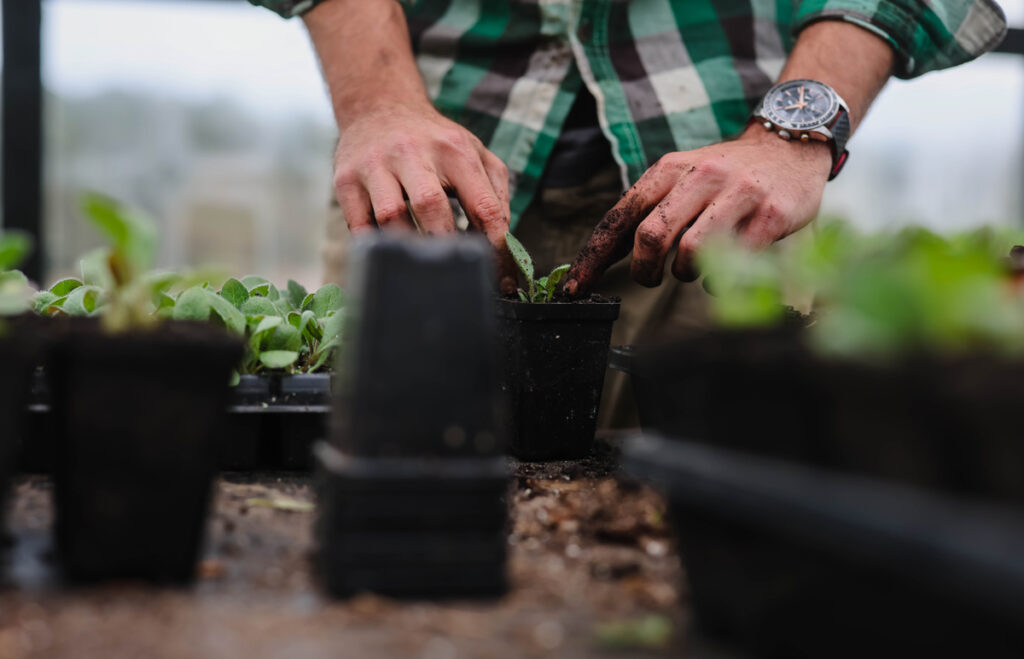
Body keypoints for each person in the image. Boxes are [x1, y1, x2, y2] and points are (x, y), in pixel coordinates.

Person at [251, 0, 1007, 426]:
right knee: (374, 520)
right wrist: (377, 102)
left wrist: (792, 131)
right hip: (418, 181)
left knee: (682, 537)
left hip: (724, 201)